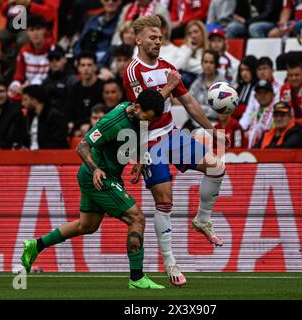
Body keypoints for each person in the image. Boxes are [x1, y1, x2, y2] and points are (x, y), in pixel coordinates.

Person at [20, 89, 167, 289]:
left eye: (150, 121)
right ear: (137, 107)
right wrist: (96, 169)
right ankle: (136, 278)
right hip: (98, 176)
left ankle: (36, 245)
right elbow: (82, 146)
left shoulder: (138, 114)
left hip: (107, 175)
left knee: (86, 226)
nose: (147, 123)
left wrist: (140, 158)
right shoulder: (112, 121)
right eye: (146, 118)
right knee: (137, 218)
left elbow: (141, 129)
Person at [124, 15, 228, 287]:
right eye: (152, 37)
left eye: (160, 37)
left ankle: (203, 220)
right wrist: (169, 85)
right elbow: (147, 109)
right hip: (148, 142)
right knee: (165, 202)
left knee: (217, 166)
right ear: (138, 39)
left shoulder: (168, 66)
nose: (157, 41)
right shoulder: (133, 71)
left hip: (172, 134)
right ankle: (170, 264)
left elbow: (190, 101)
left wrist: (210, 129)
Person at [9, 15, 52, 100]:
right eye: (31, 30)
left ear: (44, 30)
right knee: (10, 93)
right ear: (27, 32)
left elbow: (52, 77)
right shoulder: (24, 51)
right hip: (27, 88)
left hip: (46, 89)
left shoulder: (52, 49)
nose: (35, 33)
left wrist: (31, 86)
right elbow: (19, 74)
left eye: (38, 29)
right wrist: (15, 85)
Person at [66, 52, 104, 137]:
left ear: (95, 67)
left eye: (89, 65)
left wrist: (89, 126)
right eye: (83, 65)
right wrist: (75, 127)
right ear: (78, 68)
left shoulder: (103, 87)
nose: (86, 68)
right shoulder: (75, 89)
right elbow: (70, 112)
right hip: (78, 130)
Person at [73, 0, 122, 65]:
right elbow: (81, 40)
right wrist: (77, 57)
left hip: (105, 61)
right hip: (85, 58)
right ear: (102, 1)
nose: (110, 2)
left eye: (114, 0)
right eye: (106, 0)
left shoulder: (121, 20)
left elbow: (115, 45)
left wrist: (101, 66)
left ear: (119, 1)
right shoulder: (92, 18)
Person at [185, 49, 225, 130]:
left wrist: (199, 109)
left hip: (215, 125)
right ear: (202, 64)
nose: (208, 65)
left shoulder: (223, 85)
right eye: (205, 62)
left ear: (216, 65)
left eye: (211, 62)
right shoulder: (196, 83)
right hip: (195, 123)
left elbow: (220, 112)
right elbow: (189, 107)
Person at [0, 78, 28, 150]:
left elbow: (13, 138)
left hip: (6, 152)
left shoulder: (16, 111)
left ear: (7, 92)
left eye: (1, 91)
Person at [22, 85, 69, 150]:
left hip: (51, 157)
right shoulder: (30, 116)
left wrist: (38, 151)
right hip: (31, 157)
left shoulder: (55, 116)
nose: (23, 103)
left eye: (25, 99)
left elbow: (57, 143)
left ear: (34, 100)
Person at [41, 45, 78, 114]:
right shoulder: (46, 80)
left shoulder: (72, 80)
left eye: (57, 58)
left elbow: (75, 104)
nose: (54, 62)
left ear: (65, 60)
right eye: (51, 59)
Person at [240, 80, 276, 149]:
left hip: (268, 152)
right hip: (253, 153)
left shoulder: (276, 112)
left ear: (273, 95)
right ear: (255, 96)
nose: (262, 96)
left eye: (265, 93)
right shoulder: (255, 113)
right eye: (259, 93)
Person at [173, 20, 209, 88]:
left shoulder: (209, 49)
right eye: (189, 33)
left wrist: (188, 64)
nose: (193, 36)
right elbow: (177, 68)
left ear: (203, 33)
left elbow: (205, 70)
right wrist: (189, 49)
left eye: (196, 32)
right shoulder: (184, 49)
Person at [231, 55, 257, 120]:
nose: (244, 73)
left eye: (247, 70)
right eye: (242, 70)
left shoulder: (258, 88)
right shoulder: (239, 87)